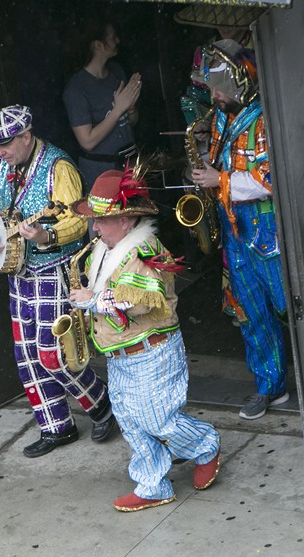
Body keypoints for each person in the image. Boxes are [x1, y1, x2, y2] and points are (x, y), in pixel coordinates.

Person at [69, 169, 221, 512]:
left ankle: (205, 445)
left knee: (158, 420)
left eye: (101, 221)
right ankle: (152, 484)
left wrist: (92, 300)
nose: (94, 227)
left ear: (126, 220)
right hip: (120, 353)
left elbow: (137, 302)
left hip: (153, 352)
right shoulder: (104, 248)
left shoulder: (142, 251)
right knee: (129, 419)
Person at [0, 105, 116, 458]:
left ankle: (101, 405)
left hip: (55, 271)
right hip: (19, 275)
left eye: (5, 144)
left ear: (26, 136)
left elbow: (79, 221)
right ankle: (56, 426)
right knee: (27, 356)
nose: (0, 152)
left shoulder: (58, 167)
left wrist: (44, 236)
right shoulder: (0, 165)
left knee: (54, 354)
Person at [190, 40, 289, 420]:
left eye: (220, 86)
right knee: (250, 311)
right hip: (234, 231)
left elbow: (271, 179)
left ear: (243, 81)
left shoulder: (265, 118)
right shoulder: (220, 118)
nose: (214, 94)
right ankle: (270, 387)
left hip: (266, 229)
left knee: (289, 308)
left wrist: (222, 179)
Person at [63, 20, 142, 189]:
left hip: (131, 165)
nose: (118, 41)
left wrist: (130, 108)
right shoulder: (76, 89)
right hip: (101, 173)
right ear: (99, 45)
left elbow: (132, 122)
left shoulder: (116, 71)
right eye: (113, 38)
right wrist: (118, 109)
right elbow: (87, 141)